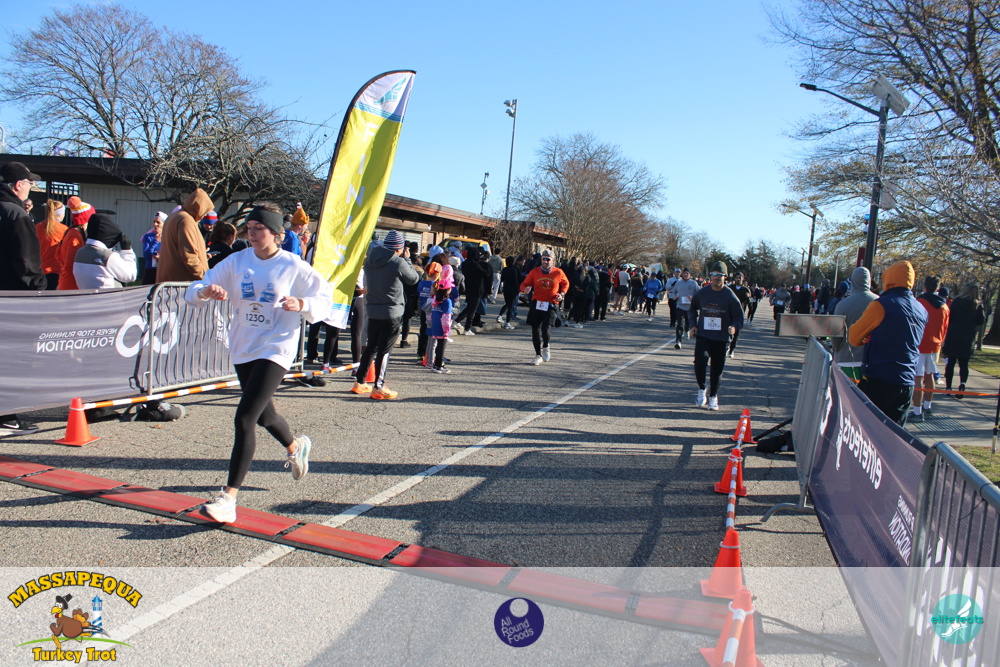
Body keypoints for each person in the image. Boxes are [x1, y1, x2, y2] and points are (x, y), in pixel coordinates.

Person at [186, 204, 332, 524]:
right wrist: (206, 291)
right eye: (249, 227)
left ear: (277, 234)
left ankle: (228, 499)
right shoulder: (237, 261)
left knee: (245, 418)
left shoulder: (292, 265)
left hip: (276, 346)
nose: (251, 233)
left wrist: (301, 302)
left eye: (258, 228)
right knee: (265, 416)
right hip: (244, 345)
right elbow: (195, 289)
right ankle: (295, 447)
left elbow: (324, 299)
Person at [848, 260, 927, 426]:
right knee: (894, 434)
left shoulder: (882, 305)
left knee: (870, 430)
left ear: (888, 278)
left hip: (880, 378)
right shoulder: (921, 309)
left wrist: (868, 337)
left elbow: (854, 337)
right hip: (907, 381)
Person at [0, 161, 45, 437]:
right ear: (18, 185)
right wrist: (38, 292)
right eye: (29, 183)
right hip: (13, 299)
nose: (30, 187)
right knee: (13, 359)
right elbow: (27, 263)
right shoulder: (15, 214)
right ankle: (6, 417)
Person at [352, 230, 418, 399]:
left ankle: (360, 381)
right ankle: (379, 386)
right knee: (385, 351)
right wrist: (407, 259)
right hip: (391, 311)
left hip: (373, 309)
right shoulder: (398, 262)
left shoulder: (370, 259)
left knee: (371, 347)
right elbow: (413, 279)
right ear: (398, 248)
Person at [689, 261, 744, 410]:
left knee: (717, 369)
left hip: (721, 338)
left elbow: (739, 317)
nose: (716, 278)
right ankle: (702, 389)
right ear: (710, 276)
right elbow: (692, 309)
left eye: (720, 275)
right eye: (714, 275)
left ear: (725, 277)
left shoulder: (730, 296)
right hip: (704, 336)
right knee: (699, 364)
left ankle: (713, 396)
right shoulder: (703, 293)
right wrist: (693, 325)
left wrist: (734, 327)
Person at [520, 250, 569, 365]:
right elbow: (524, 284)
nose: (545, 261)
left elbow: (566, 283)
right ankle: (538, 355)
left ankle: (546, 346)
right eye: (543, 259)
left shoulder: (558, 272)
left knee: (545, 328)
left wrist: (561, 294)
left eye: (548, 259)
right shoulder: (535, 272)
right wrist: (524, 289)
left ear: (553, 261)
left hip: (551, 304)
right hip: (537, 303)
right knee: (535, 330)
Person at [911, 276, 949, 421]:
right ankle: (927, 406)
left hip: (919, 344)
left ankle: (917, 411)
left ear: (925, 286)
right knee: (930, 375)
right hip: (934, 345)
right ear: (938, 288)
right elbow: (945, 328)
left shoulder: (919, 303)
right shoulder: (944, 307)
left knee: (918, 377)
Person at [157, 188, 213, 282]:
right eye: (206, 211)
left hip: (169, 279)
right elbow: (189, 256)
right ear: (200, 207)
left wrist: (202, 256)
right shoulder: (186, 220)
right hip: (182, 282)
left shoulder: (174, 216)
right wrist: (204, 277)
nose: (205, 215)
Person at [941, 283, 985, 400]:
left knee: (950, 363)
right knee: (964, 364)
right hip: (968, 337)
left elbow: (950, 317)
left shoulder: (957, 302)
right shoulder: (977, 305)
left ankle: (948, 387)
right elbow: (980, 321)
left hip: (954, 335)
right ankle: (963, 383)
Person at [832, 268, 877, 381]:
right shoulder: (879, 302)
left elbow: (836, 334)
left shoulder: (843, 304)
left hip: (846, 358)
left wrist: (836, 348)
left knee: (845, 391)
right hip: (872, 360)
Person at [72, 214, 137, 288]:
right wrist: (127, 251)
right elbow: (130, 276)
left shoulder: (80, 252)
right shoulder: (107, 256)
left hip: (85, 294)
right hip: (107, 295)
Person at [57, 196, 94, 290]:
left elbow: (57, 255)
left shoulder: (71, 232)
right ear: (87, 219)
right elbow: (71, 265)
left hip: (67, 282)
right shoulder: (75, 237)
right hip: (71, 285)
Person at [36, 200, 67, 290]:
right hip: (56, 271)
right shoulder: (64, 230)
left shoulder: (38, 227)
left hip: (39, 270)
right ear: (60, 214)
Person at [669, 268, 699, 349]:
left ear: (690, 275)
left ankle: (687, 330)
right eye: (684, 273)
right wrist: (674, 296)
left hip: (690, 307)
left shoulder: (693, 283)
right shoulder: (678, 282)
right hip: (680, 306)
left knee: (687, 323)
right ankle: (678, 341)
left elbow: (698, 293)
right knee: (679, 324)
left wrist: (692, 298)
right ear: (682, 274)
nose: (686, 275)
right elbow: (674, 291)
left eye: (687, 273)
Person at [428, 286, 453, 373]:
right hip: (442, 327)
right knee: (441, 347)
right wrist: (446, 330)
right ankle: (438, 365)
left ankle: (436, 364)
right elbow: (446, 317)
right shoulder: (447, 301)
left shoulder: (435, 298)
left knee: (438, 345)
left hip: (435, 324)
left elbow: (432, 313)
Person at [726, 272, 751, 357]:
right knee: (727, 331)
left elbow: (750, 303)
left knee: (736, 333)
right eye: (737, 277)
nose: (738, 279)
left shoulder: (746, 290)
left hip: (739, 313)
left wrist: (748, 297)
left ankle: (732, 350)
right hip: (728, 312)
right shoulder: (730, 288)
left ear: (743, 279)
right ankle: (727, 346)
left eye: (740, 278)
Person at [141, 212, 166, 285]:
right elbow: (146, 255)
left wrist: (161, 258)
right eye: (154, 222)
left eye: (158, 222)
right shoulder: (148, 237)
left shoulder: (168, 237)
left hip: (163, 269)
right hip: (150, 270)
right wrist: (155, 241)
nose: (155, 224)